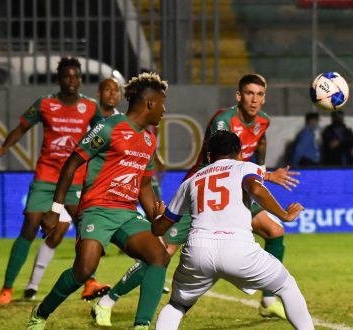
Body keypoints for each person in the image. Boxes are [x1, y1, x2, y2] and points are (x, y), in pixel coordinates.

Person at [92, 74, 300, 326]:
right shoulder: (223, 121)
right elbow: (224, 162)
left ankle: (268, 301)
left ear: (264, 97)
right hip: (202, 193)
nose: (254, 100)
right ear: (239, 95)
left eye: (259, 94)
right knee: (162, 253)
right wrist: (265, 174)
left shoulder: (263, 122)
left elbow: (260, 139)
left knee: (274, 231)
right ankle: (108, 300)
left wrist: (263, 165)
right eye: (249, 93)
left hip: (235, 190)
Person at [26, 72, 170, 330]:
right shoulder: (109, 127)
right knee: (83, 271)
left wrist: (155, 219)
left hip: (126, 212)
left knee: (158, 256)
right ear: (149, 103)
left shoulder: (149, 140)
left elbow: (144, 184)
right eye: (162, 103)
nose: (164, 109)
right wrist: (56, 210)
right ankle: (41, 313)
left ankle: (142, 325)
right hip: (97, 209)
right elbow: (71, 164)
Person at [153, 130, 313, 330]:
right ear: (240, 153)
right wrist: (284, 215)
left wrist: (158, 216)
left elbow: (159, 229)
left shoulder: (191, 181)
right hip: (238, 249)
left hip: (198, 249)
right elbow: (255, 188)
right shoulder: (246, 167)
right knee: (286, 285)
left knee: (177, 304)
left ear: (209, 156)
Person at [0, 57, 109, 305]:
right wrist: (4, 148)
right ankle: (7, 288)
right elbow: (22, 127)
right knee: (31, 226)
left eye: (77, 76)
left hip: (75, 180)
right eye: (68, 76)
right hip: (46, 177)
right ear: (59, 79)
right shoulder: (45, 104)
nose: (73, 81)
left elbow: (105, 135)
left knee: (85, 227)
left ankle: (90, 281)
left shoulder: (89, 106)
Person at [79, 78, 123, 301]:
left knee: (59, 234)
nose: (112, 94)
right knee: (55, 233)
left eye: (116, 90)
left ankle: (90, 281)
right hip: (81, 177)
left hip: (104, 181)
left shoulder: (120, 120)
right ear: (99, 93)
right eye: (108, 89)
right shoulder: (89, 116)